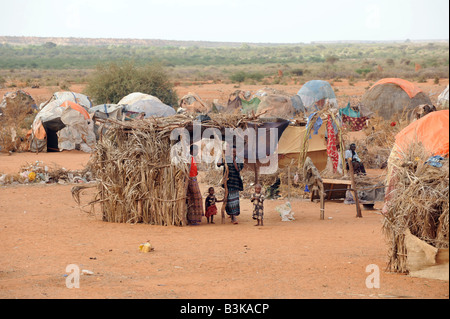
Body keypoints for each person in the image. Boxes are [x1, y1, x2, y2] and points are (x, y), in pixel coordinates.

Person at [218, 145, 244, 224]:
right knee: (229, 199)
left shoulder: (239, 160)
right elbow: (218, 164)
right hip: (228, 182)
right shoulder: (226, 159)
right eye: (232, 151)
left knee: (234, 199)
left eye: (234, 152)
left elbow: (238, 169)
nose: (233, 153)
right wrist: (221, 155)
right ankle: (232, 214)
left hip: (235, 182)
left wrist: (233, 160)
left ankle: (233, 216)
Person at [186, 144, 204, 225]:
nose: (197, 152)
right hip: (190, 179)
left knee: (194, 198)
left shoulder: (192, 158)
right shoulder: (189, 158)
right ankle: (193, 219)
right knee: (196, 198)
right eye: (196, 150)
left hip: (193, 178)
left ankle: (194, 218)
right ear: (192, 151)